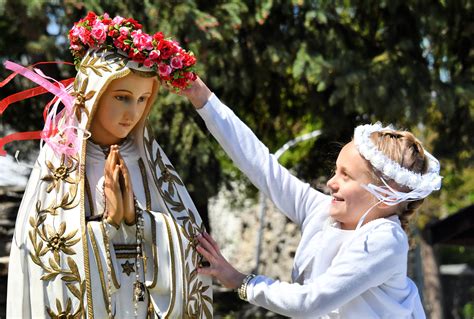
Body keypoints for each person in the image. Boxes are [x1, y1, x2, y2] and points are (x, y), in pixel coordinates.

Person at [4, 12, 212, 318]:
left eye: (143, 100)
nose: (133, 112)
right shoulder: (60, 166)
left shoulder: (148, 162)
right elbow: (44, 255)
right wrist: (108, 223)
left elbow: (188, 246)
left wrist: (138, 222)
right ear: (94, 95)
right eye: (123, 97)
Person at [181, 77, 442, 318]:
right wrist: (202, 97)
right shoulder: (322, 211)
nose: (331, 182)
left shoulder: (385, 239)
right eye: (335, 171)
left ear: (384, 196)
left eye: (346, 176)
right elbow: (261, 166)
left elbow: (310, 302)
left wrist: (240, 281)